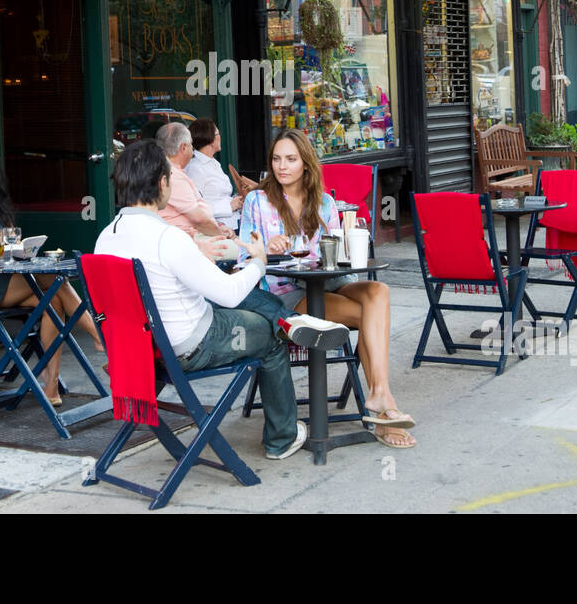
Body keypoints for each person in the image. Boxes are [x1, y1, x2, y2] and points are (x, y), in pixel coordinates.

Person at [95, 140, 351, 461]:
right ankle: (281, 437)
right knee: (266, 335)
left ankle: (289, 321)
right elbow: (229, 292)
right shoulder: (167, 238)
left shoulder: (106, 237)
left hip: (142, 345)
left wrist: (196, 253)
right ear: (162, 183)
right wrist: (258, 260)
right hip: (191, 344)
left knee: (248, 304)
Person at [240, 129, 416, 448]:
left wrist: (343, 249)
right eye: (277, 159)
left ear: (305, 164)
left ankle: (380, 395)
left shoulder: (324, 202)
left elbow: (334, 255)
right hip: (286, 293)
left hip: (327, 280)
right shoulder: (257, 200)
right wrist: (268, 247)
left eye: (291, 159)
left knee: (379, 293)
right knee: (368, 315)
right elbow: (243, 257)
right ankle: (382, 406)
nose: (282, 166)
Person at [0, 145, 102, 407]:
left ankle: (51, 386)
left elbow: (1, 246)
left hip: (6, 277)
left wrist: (18, 249)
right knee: (52, 280)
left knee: (54, 303)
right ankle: (100, 334)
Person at [155, 122, 237, 258]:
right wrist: (220, 234)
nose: (193, 150)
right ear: (183, 148)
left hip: (195, 234)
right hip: (185, 240)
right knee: (239, 251)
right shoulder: (172, 177)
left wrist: (219, 226)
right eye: (191, 145)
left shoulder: (173, 171)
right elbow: (199, 220)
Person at [184, 118, 244, 233]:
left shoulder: (212, 163)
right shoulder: (195, 168)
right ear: (210, 139)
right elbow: (195, 208)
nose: (220, 136)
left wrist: (235, 202)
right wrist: (229, 206)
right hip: (219, 229)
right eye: (218, 133)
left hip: (232, 223)